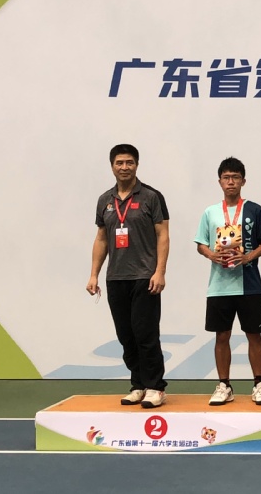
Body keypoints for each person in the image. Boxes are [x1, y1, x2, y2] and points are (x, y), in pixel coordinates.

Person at [88, 144, 170, 409]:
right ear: (112, 166)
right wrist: (94, 274)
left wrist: (160, 271)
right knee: (126, 336)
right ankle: (138, 385)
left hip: (145, 276)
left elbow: (163, 235)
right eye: (120, 163)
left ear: (137, 165)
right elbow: (101, 238)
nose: (125, 167)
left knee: (146, 334)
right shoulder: (105, 200)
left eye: (129, 162)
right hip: (116, 278)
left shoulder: (151, 197)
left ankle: (155, 387)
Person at [195, 157, 261, 406]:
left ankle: (258, 384)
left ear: (243, 181)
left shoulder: (254, 210)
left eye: (235, 177)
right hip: (219, 286)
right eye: (226, 178)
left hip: (249, 284)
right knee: (222, 336)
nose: (231, 182)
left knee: (254, 335)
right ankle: (224, 385)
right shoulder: (210, 212)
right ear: (219, 181)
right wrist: (212, 255)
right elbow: (201, 244)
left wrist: (248, 256)